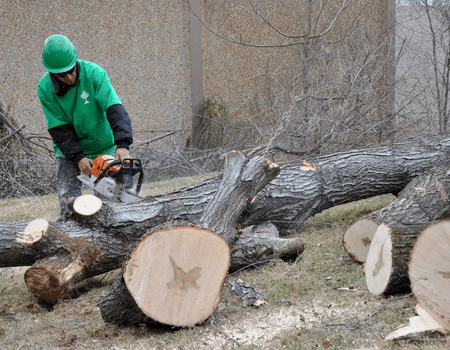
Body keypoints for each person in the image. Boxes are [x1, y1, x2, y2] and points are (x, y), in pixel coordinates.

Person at [37, 34, 133, 215]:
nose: (70, 76)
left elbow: (114, 108)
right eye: (62, 74)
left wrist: (123, 143)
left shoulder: (95, 74)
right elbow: (58, 127)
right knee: (68, 200)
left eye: (71, 69)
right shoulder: (45, 88)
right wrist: (78, 156)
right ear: (52, 72)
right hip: (68, 150)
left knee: (110, 202)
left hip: (102, 144)